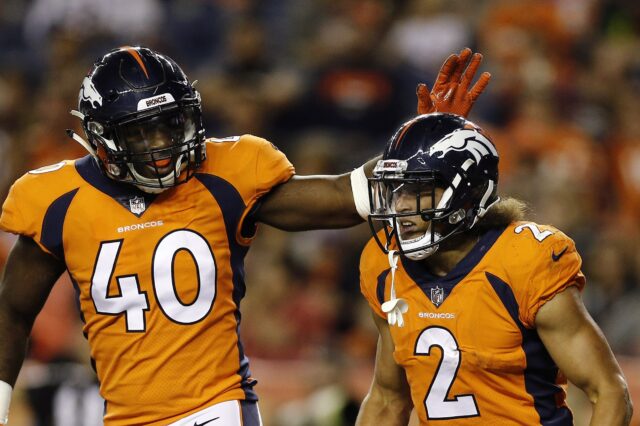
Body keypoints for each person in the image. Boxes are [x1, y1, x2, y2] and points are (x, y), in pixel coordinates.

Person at [0, 46, 489, 426]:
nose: (162, 149)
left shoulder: (225, 176)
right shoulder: (57, 201)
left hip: (219, 408)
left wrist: (429, 138)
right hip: (124, 415)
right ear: (101, 137)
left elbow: (349, 197)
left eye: (170, 127)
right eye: (140, 135)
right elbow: (12, 310)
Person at [356, 113, 633, 425]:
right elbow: (386, 398)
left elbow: (608, 390)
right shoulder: (387, 265)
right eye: (397, 190)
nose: (402, 206)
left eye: (418, 190)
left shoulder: (522, 259)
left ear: (467, 193)